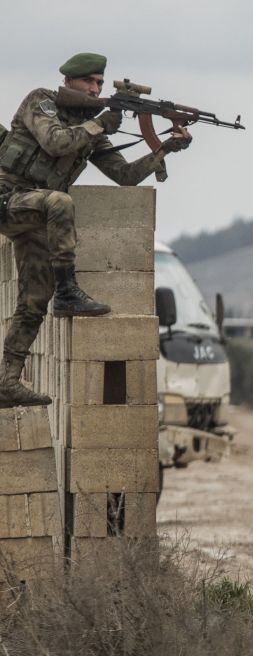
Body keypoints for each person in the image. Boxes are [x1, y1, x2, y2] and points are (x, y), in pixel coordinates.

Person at [0, 52, 192, 408]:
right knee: (60, 201)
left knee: (33, 301)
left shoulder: (92, 131)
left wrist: (165, 148)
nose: (94, 87)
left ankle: (6, 381)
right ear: (69, 82)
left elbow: (125, 176)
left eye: (100, 84)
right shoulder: (41, 101)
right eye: (89, 82)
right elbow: (56, 141)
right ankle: (69, 291)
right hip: (7, 201)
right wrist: (101, 123)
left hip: (35, 217)